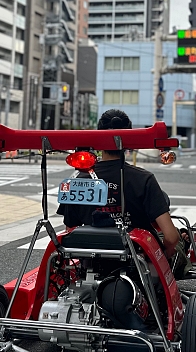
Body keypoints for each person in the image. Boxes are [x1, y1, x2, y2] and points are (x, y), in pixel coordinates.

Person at [57, 109, 184, 267]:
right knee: (181, 239)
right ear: (129, 139)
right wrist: (165, 255)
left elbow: (70, 232)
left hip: (91, 264)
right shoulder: (144, 180)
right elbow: (171, 237)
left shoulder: (76, 182)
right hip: (138, 266)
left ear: (98, 136)